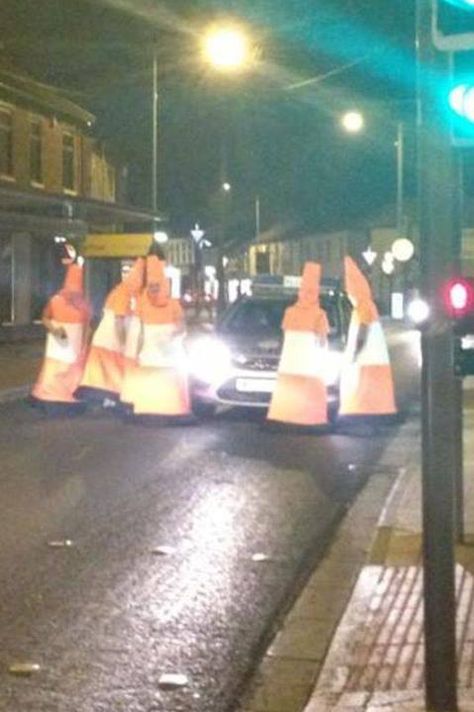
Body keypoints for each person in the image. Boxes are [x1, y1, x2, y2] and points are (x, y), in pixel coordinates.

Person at [127, 255, 192, 421]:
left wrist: (172, 337)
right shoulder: (142, 303)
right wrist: (135, 351)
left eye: (156, 286)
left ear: (163, 285)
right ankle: (149, 409)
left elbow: (182, 326)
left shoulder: (173, 304)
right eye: (150, 286)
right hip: (149, 352)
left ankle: (171, 410)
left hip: (169, 352)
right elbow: (137, 330)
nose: (153, 290)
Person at [267, 262, 329, 426]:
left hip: (289, 366)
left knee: (289, 392)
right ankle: (309, 417)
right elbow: (323, 340)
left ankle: (286, 415)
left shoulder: (290, 311)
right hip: (310, 367)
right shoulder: (319, 314)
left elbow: (284, 334)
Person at [76, 258, 144, 405]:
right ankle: (112, 401)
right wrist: (123, 344)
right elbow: (118, 322)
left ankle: (110, 401)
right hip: (111, 343)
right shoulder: (123, 293)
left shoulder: (132, 294)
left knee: (110, 375)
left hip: (111, 343)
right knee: (111, 374)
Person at [30, 257, 91, 414]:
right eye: (71, 293)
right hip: (59, 341)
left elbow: (87, 326)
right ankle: (50, 396)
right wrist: (55, 330)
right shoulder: (55, 301)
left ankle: (68, 397)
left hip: (75, 343)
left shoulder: (84, 305)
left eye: (76, 293)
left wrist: (84, 345)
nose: (73, 297)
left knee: (72, 371)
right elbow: (45, 317)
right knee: (54, 371)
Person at [339, 255, 397, 417]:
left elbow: (363, 331)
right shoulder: (367, 305)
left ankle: (359, 415)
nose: (349, 295)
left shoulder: (363, 306)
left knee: (361, 393)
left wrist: (354, 354)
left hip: (366, 361)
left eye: (349, 291)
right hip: (370, 361)